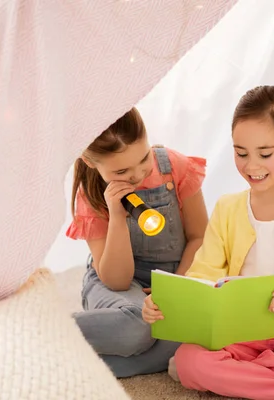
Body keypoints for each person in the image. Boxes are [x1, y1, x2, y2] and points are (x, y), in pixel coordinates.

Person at [142, 86, 274, 399]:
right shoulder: (228, 208)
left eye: (265, 154)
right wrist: (168, 304)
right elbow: (203, 276)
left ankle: (242, 375)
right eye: (241, 153)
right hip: (241, 333)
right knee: (190, 360)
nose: (251, 166)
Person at [67, 107, 209, 377]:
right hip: (118, 286)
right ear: (90, 161)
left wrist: (174, 290)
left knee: (187, 336)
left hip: (173, 279)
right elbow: (116, 281)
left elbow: (199, 237)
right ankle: (45, 331)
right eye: (122, 170)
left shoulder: (174, 167)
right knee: (138, 327)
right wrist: (118, 215)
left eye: (144, 158)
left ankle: (77, 368)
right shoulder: (92, 195)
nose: (138, 174)